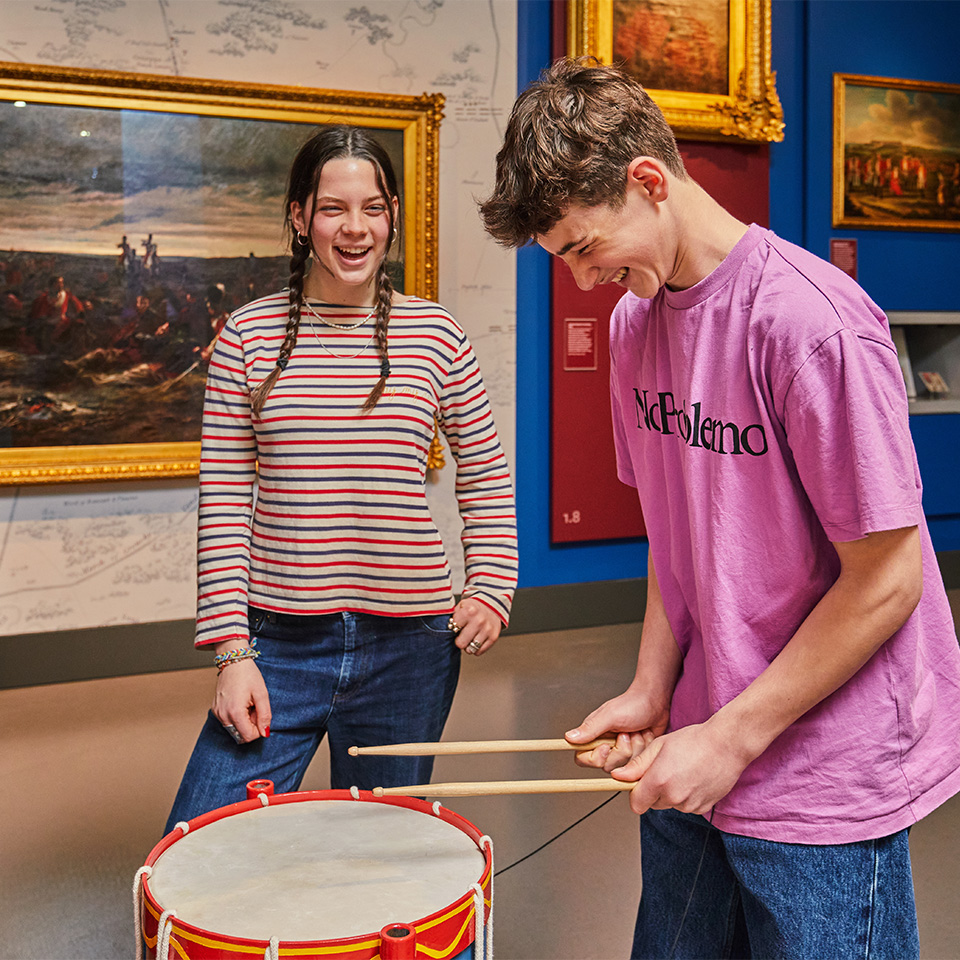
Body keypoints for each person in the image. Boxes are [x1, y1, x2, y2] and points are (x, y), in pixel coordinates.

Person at [479, 58, 960, 960]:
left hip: (823, 767)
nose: (582, 281)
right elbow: (679, 530)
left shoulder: (812, 324)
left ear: (649, 183)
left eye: (584, 248)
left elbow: (888, 582)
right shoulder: (636, 322)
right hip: (700, 734)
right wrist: (654, 689)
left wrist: (730, 739)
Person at [165, 125, 517, 833]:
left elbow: (484, 472)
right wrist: (231, 650)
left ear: (391, 216)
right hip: (277, 645)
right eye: (332, 208)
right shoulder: (247, 336)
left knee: (377, 852)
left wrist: (491, 583)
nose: (355, 229)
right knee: (201, 844)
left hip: (410, 647)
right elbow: (226, 501)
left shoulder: (436, 335)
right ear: (300, 217)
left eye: (373, 207)